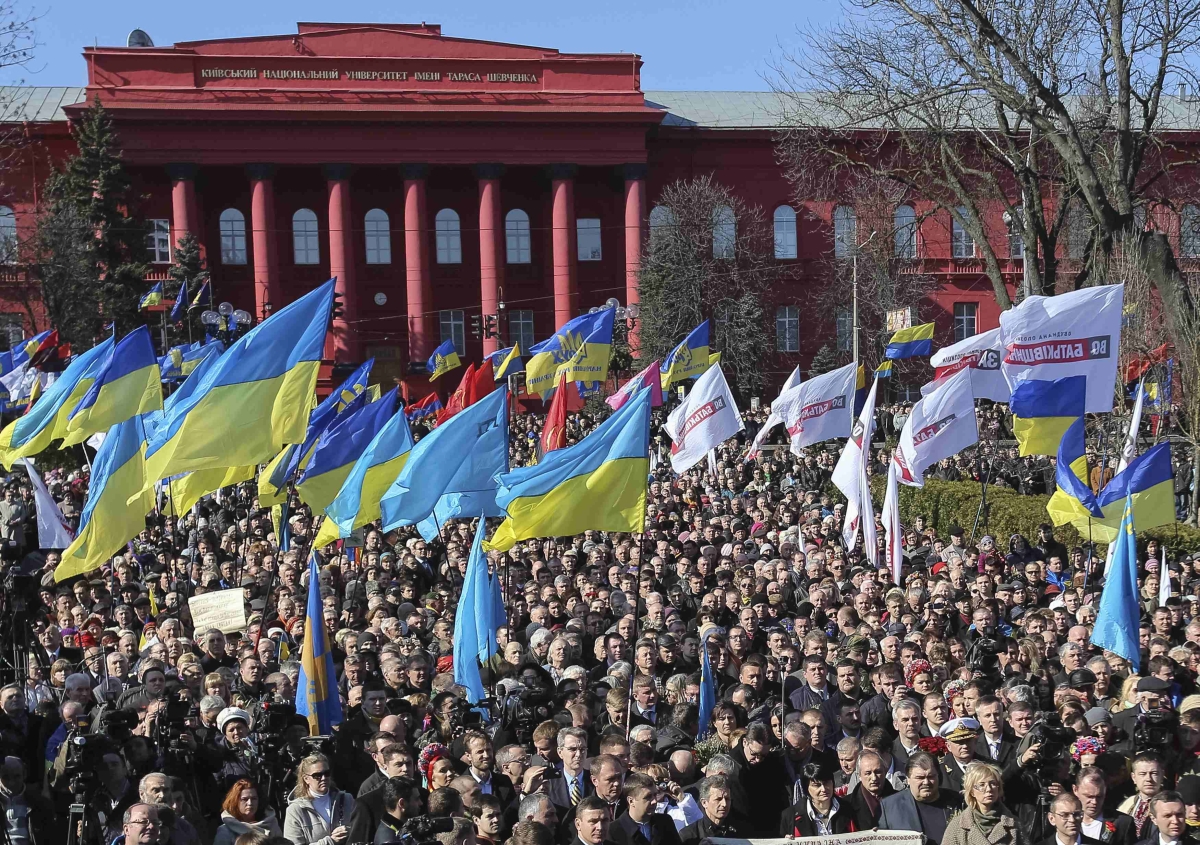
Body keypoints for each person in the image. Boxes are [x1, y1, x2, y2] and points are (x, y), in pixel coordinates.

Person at [878, 752, 964, 845]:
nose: (926, 782)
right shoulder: (889, 806)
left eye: (931, 776)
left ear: (938, 776)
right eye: (920, 778)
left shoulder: (957, 800)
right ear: (908, 779)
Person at [284, 754, 355, 845]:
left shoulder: (346, 799)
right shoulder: (295, 810)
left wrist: (350, 830)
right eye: (317, 775)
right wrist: (330, 841)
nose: (324, 778)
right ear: (306, 779)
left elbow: (361, 829)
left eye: (327, 773)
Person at [942, 762, 1019, 845]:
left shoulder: (1013, 824)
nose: (989, 789)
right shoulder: (957, 826)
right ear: (972, 792)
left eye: (993, 783)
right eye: (982, 785)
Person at [780, 758, 853, 836]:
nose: (823, 789)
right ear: (806, 788)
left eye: (826, 783)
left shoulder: (849, 809)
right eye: (817, 785)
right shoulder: (790, 816)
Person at [609, 773, 682, 845]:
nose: (654, 801)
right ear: (631, 801)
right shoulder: (613, 831)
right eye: (648, 797)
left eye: (655, 795)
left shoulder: (665, 822)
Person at [679, 776, 748, 843]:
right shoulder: (689, 835)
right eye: (718, 799)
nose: (724, 804)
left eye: (727, 799)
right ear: (704, 803)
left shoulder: (743, 831)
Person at [214, 779, 282, 845]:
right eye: (244, 799)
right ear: (235, 802)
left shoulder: (272, 824)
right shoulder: (225, 831)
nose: (250, 803)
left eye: (254, 799)